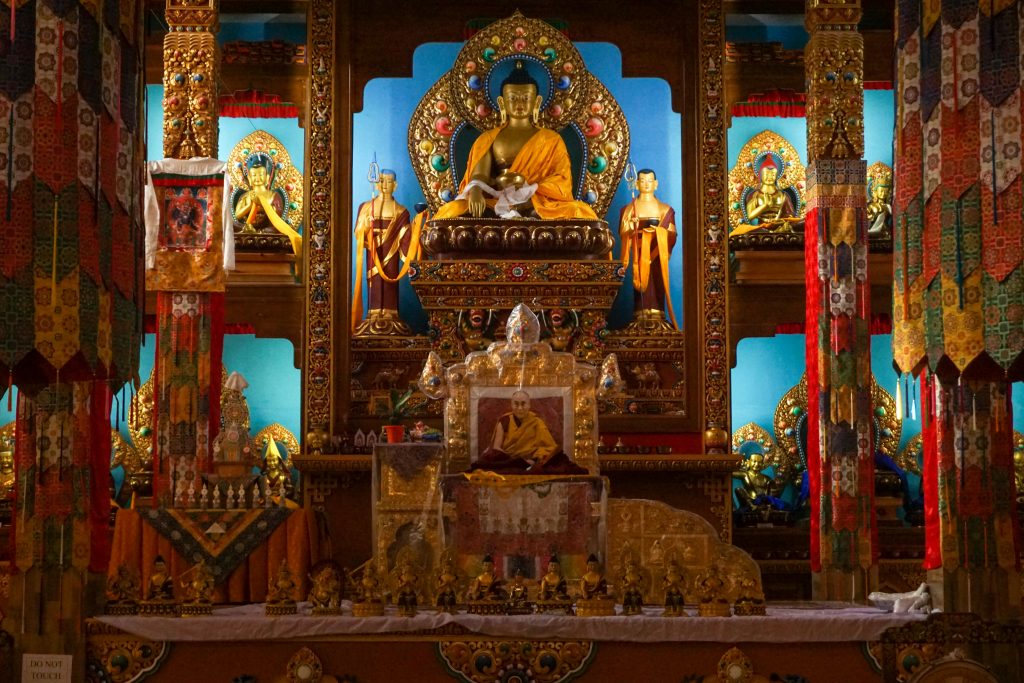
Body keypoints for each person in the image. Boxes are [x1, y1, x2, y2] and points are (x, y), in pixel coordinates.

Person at [433, 61, 597, 221]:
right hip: (496, 202)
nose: (519, 104)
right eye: (513, 98)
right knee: (453, 210)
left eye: (525, 98)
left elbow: (562, 181)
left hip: (537, 204)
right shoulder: (489, 138)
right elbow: (480, 174)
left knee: (579, 211)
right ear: (502, 102)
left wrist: (530, 193)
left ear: (536, 102)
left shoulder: (551, 139)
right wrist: (475, 191)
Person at [351, 169, 417, 336]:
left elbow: (405, 236)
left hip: (391, 252)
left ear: (395, 185)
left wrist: (415, 230)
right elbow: (358, 232)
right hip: (374, 251)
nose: (384, 184)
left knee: (389, 280)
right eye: (381, 180)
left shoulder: (401, 210)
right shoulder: (366, 207)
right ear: (376, 183)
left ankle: (390, 313)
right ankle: (373, 313)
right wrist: (366, 225)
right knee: (374, 280)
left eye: (388, 181)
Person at [473, 390, 586, 474]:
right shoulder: (504, 420)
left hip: (530, 461)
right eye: (516, 404)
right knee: (483, 463)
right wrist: (515, 460)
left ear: (529, 405)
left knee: (559, 460)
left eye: (523, 404)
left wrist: (533, 460)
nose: (520, 408)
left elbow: (548, 447)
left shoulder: (536, 422)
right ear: (511, 405)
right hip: (509, 460)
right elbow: (497, 448)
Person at [619, 169, 678, 328]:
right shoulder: (629, 209)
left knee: (656, 279)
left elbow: (672, 233)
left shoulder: (665, 209)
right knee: (640, 283)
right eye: (642, 181)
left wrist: (657, 233)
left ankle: (658, 314)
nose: (646, 184)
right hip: (639, 253)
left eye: (650, 181)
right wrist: (632, 225)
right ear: (637, 184)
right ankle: (640, 314)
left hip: (657, 251)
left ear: (656, 184)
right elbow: (623, 232)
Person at [232, 152, 303, 270]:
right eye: (254, 175)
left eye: (261, 174)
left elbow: (277, 218)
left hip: (269, 231)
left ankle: (258, 235)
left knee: (278, 232)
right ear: (249, 177)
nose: (257, 178)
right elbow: (238, 215)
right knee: (231, 226)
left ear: (267, 176)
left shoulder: (273, 195)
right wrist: (249, 205)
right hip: (246, 229)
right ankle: (253, 235)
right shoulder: (246, 196)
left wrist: (264, 204)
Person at [730, 155, 801, 236]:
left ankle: (778, 232)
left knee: (801, 224)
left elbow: (791, 216)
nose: (770, 177)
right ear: (760, 175)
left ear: (777, 176)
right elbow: (749, 216)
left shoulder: (783, 195)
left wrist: (784, 221)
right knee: (748, 231)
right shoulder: (754, 195)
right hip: (761, 228)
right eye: (767, 174)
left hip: (780, 227)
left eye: (773, 174)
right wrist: (764, 206)